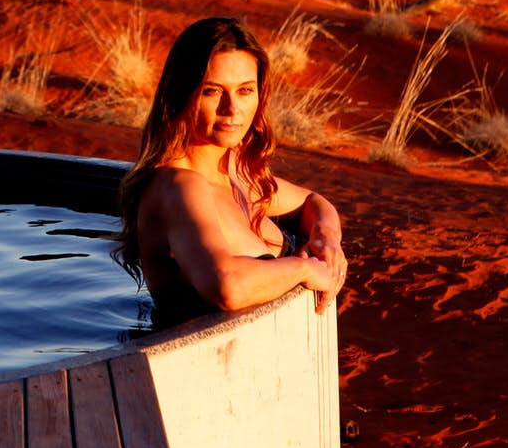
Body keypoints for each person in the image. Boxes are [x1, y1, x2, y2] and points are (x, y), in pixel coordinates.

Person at [115, 16, 346, 326]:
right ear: (182, 94)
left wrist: (327, 239)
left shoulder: (235, 169)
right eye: (212, 91)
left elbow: (314, 201)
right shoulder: (178, 186)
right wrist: (304, 269)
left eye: (245, 91)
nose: (232, 109)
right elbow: (228, 287)